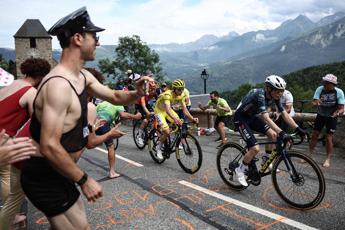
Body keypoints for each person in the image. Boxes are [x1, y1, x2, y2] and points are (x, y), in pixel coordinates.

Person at [19, 7, 149, 230]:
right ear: (78, 38)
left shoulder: (82, 76)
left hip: (60, 172)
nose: (98, 42)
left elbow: (115, 95)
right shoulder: (58, 85)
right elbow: (49, 145)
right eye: (94, 36)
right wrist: (84, 179)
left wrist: (137, 93)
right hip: (43, 176)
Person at [0, 58, 51, 229]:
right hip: (3, 140)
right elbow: (35, 125)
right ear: (41, 76)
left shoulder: (12, 84)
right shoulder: (30, 92)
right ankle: (11, 216)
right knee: (7, 176)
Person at [233, 75, 306, 186]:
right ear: (268, 88)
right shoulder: (260, 95)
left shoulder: (274, 97)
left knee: (273, 135)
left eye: (281, 91)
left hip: (252, 117)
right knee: (255, 148)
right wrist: (282, 132)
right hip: (240, 118)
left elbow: (285, 114)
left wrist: (297, 128)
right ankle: (240, 169)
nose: (279, 94)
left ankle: (266, 160)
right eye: (277, 91)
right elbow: (266, 118)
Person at [154, 79, 198, 160]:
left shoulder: (181, 95)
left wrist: (192, 119)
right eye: (179, 89)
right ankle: (158, 147)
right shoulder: (168, 95)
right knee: (166, 132)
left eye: (182, 89)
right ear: (174, 89)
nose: (181, 91)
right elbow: (167, 109)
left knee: (180, 123)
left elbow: (185, 110)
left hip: (168, 111)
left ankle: (174, 141)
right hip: (159, 111)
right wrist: (175, 119)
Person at [96, 101, 142, 178]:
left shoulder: (102, 103)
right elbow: (123, 115)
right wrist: (135, 116)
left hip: (95, 124)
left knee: (85, 144)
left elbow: (101, 114)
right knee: (111, 147)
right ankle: (112, 172)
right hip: (103, 124)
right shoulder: (117, 103)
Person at [308, 74, 344, 167]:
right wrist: (316, 102)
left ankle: (328, 159)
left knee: (328, 138)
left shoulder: (339, 92)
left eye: (326, 83)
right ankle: (309, 155)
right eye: (324, 82)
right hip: (321, 115)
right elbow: (313, 102)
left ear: (332, 84)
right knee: (314, 135)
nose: (324, 84)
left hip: (332, 117)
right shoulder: (320, 89)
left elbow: (341, 108)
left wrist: (338, 113)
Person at [135, 81, 157, 146]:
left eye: (153, 89)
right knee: (145, 120)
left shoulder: (154, 92)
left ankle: (153, 130)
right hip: (139, 105)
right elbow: (143, 106)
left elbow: (159, 102)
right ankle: (139, 135)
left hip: (146, 103)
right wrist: (148, 113)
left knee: (156, 116)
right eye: (151, 89)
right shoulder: (143, 93)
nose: (152, 90)